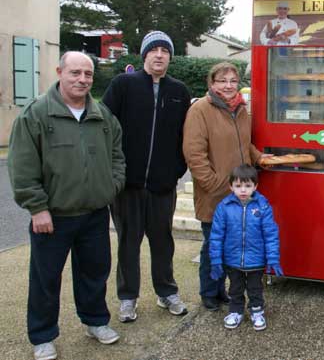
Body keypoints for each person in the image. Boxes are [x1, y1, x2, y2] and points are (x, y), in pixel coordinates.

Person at [8, 51, 125, 360]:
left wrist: (111, 187)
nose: (82, 79)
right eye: (75, 72)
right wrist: (37, 207)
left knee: (95, 273)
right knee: (45, 279)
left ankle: (96, 321)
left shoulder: (102, 116)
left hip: (95, 214)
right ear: (59, 71)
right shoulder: (36, 115)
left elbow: (117, 156)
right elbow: (22, 166)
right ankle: (42, 335)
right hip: (52, 217)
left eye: (87, 74)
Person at [102, 31, 191, 322]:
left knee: (163, 241)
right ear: (144, 55)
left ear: (170, 57)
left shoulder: (179, 91)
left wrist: (176, 170)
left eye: (165, 50)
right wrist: (115, 171)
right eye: (154, 50)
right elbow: (103, 127)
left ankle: (167, 292)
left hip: (163, 185)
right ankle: (128, 298)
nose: (160, 55)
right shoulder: (123, 85)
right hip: (127, 184)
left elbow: (184, 136)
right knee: (128, 241)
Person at [182, 62, 265, 311]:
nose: (228, 85)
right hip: (215, 193)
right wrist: (215, 184)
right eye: (222, 80)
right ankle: (209, 292)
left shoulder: (240, 109)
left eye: (232, 80)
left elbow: (244, 143)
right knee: (213, 245)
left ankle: (221, 291)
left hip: (241, 192)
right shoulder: (200, 110)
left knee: (231, 244)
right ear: (212, 84)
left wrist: (260, 158)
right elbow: (194, 154)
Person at [209, 164, 283, 331]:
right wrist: (215, 259)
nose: (243, 190)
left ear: (255, 186)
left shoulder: (263, 206)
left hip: (256, 260)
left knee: (255, 288)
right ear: (231, 186)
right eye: (238, 186)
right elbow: (216, 236)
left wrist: (273, 258)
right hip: (233, 260)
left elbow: (271, 234)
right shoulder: (224, 207)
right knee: (235, 288)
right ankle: (235, 311)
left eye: (248, 186)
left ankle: (257, 311)